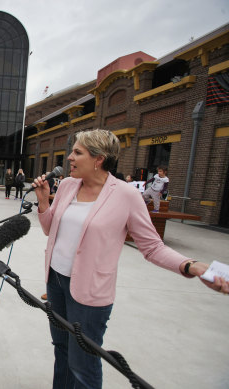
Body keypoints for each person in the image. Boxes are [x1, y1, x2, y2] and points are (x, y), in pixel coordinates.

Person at [31, 129, 229, 389]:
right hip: (55, 281)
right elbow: (50, 230)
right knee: (61, 349)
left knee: (83, 362)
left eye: (77, 152)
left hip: (90, 293)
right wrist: (44, 202)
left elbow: (152, 247)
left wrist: (190, 265)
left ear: (99, 159)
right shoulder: (68, 185)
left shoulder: (126, 195)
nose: (69, 158)